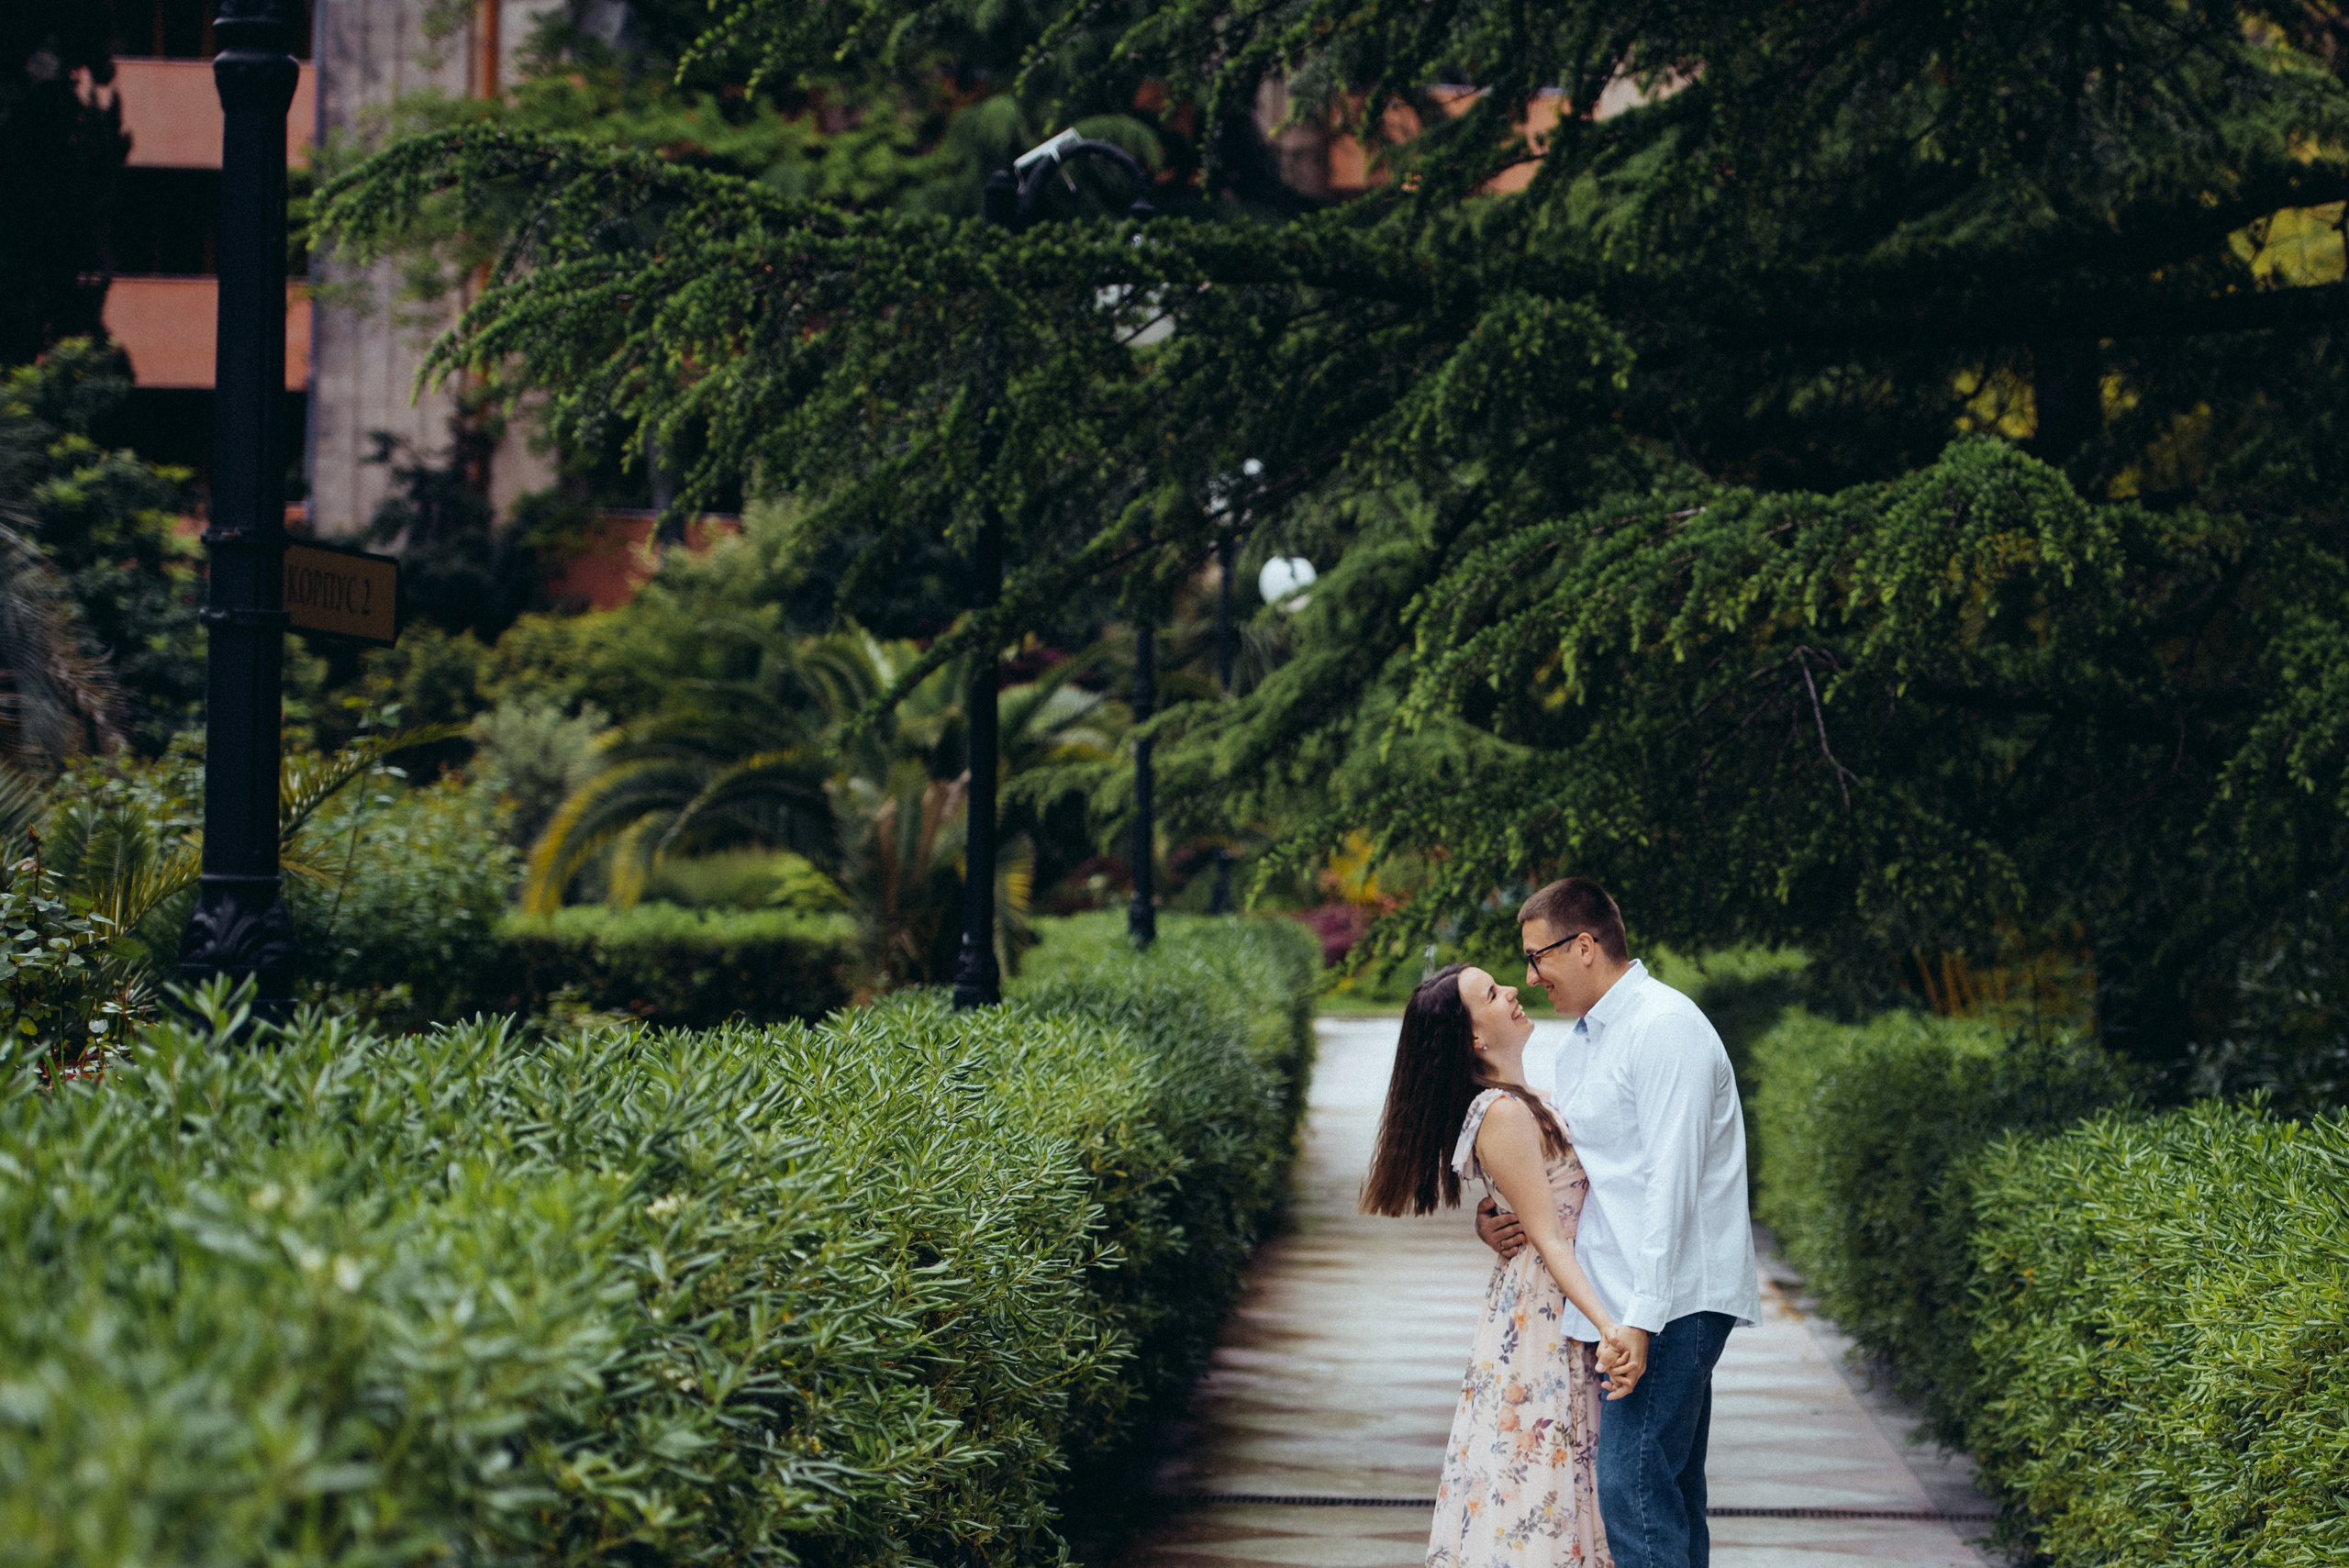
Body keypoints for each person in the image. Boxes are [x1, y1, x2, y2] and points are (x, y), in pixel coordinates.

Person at [1476, 878, 1761, 1568]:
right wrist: (1497, 1219)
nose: (1529, 975)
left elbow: (1673, 1185)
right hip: (1632, 1299)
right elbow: (1573, 1168)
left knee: (1632, 1493)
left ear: (1583, 946)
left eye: (1536, 955)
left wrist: (1639, 1318)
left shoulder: (1664, 1028)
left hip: (1669, 1302)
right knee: (1668, 1491)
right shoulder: (1585, 1039)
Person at [1364, 962, 1630, 1568]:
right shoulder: (1502, 1111)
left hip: (1551, 1298)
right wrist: (1612, 1329)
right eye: (1492, 993)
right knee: (1540, 1474)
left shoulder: (1525, 1101)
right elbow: (1549, 1238)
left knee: (1550, 1474)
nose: (1513, 991)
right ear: (1474, 1038)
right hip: (1546, 1310)